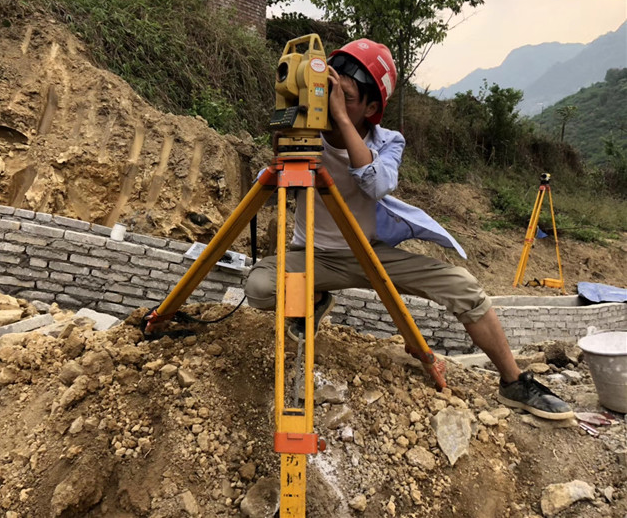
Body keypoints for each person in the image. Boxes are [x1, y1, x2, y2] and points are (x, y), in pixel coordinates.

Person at [245, 38, 573, 421]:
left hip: (370, 253)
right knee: (259, 287)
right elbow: (268, 188)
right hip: (314, 257)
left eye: (345, 98)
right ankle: (314, 297)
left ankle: (514, 382)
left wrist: (342, 121)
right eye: (329, 91)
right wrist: (288, 140)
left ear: (371, 108)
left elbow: (376, 184)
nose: (333, 102)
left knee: (464, 286)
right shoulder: (306, 136)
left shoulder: (389, 141)